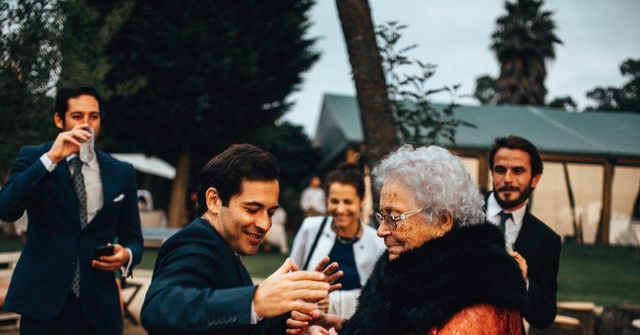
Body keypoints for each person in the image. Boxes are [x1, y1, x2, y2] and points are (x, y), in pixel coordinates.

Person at [288, 145, 526, 335]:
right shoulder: (409, 273)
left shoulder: (477, 301)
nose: (381, 231)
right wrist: (337, 325)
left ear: (443, 219)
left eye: (394, 217)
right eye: (382, 216)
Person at [141, 143, 337, 335]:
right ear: (214, 200)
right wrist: (255, 300)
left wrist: (289, 309)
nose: (265, 224)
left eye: (270, 212)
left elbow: (244, 326)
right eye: (252, 209)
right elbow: (158, 310)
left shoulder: (224, 245)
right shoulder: (193, 243)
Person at [0, 86, 143, 335]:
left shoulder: (121, 172)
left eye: (94, 116)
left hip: (100, 309)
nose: (86, 124)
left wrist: (126, 256)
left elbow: (134, 238)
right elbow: (7, 208)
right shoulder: (34, 157)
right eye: (77, 116)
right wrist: (52, 158)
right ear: (59, 120)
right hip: (43, 304)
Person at [290, 162, 385, 318]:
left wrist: (333, 301)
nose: (340, 209)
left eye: (347, 202)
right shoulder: (310, 228)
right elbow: (292, 277)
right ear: (327, 201)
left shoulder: (377, 241)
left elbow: (378, 296)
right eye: (334, 201)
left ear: (361, 201)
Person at [487, 135, 561, 331]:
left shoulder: (547, 240)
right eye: (500, 170)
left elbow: (544, 316)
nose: (508, 179)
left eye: (518, 171)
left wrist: (525, 282)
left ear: (535, 179)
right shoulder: (462, 212)